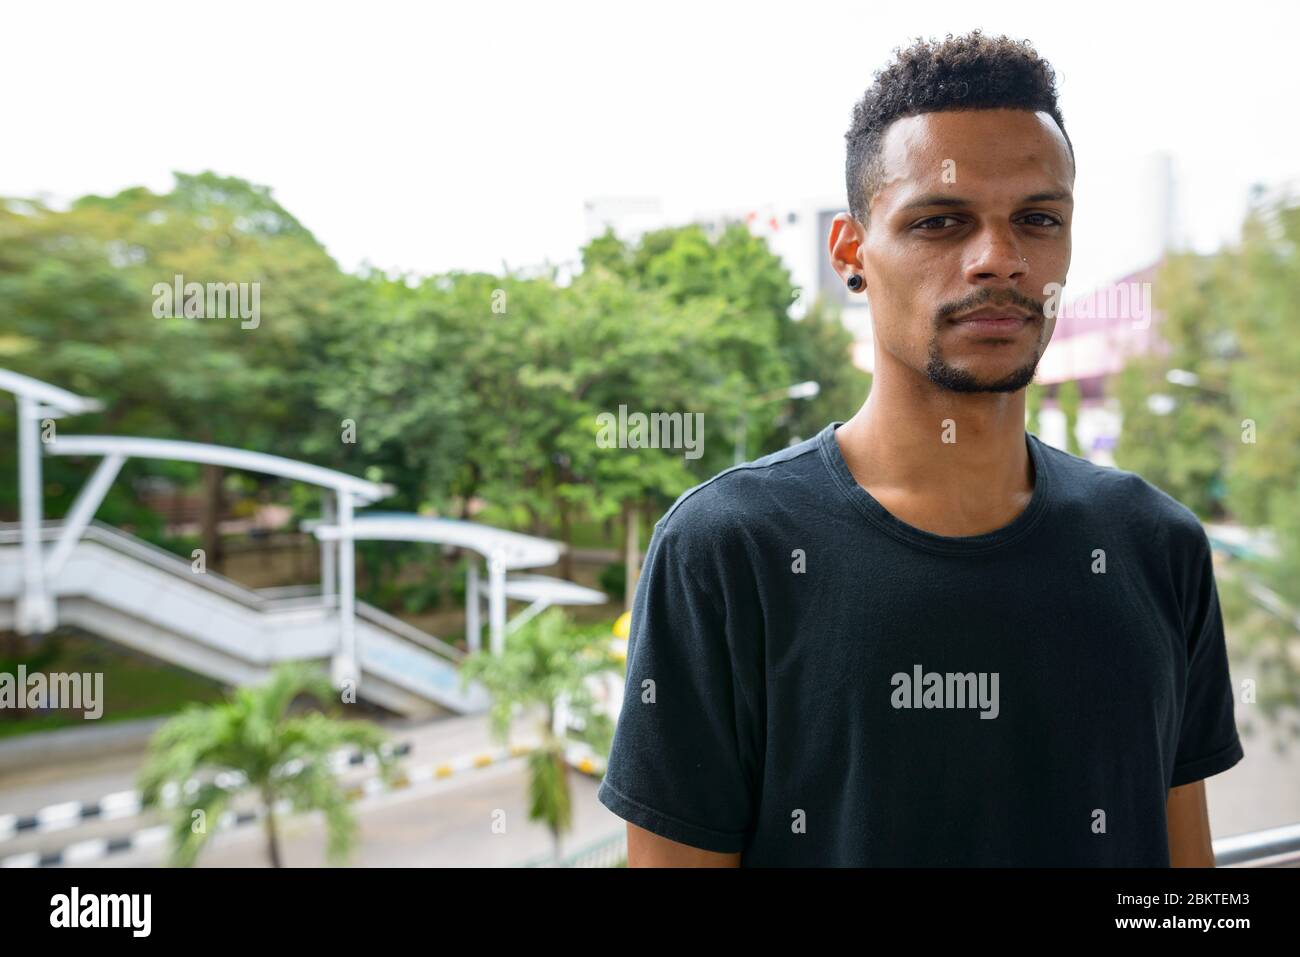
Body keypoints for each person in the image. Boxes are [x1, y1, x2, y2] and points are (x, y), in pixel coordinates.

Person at [595, 30, 1243, 867]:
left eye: (1038, 219)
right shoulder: (727, 549)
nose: (999, 260)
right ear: (851, 254)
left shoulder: (1158, 544)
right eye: (941, 221)